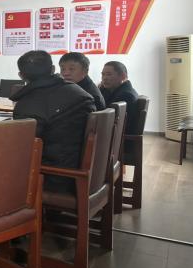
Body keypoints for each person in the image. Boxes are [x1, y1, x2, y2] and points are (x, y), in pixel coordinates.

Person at [11, 50, 96, 194]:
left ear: (21, 76)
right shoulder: (79, 91)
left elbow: (23, 147)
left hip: (55, 177)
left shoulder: (27, 104)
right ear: (53, 69)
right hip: (85, 172)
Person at [99, 61, 142, 134]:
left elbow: (106, 119)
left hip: (118, 137)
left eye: (109, 74)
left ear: (123, 76)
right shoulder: (113, 90)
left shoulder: (126, 95)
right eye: (103, 74)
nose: (104, 78)